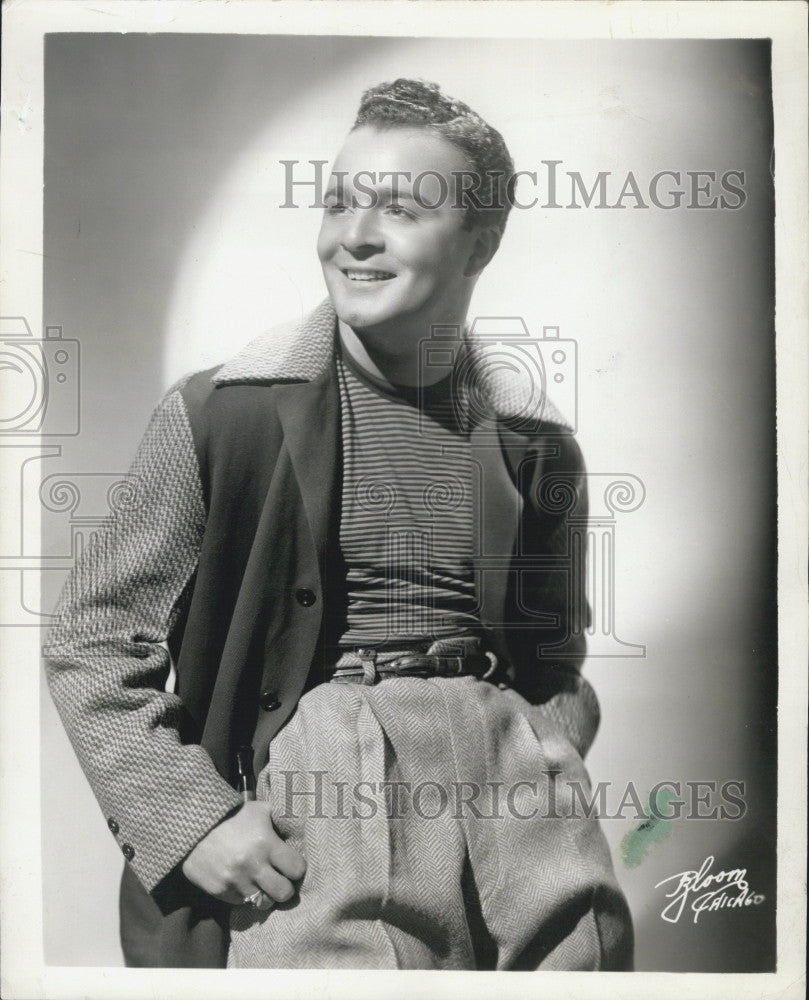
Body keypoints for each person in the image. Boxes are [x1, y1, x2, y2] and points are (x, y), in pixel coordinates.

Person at [44, 78, 633, 970]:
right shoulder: (224, 413)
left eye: (397, 209)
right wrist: (190, 817)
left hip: (519, 812)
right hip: (326, 794)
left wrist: (543, 754)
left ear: (483, 241)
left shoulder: (534, 441)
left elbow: (553, 655)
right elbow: (93, 635)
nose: (353, 236)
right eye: (338, 202)